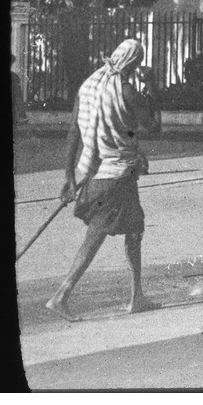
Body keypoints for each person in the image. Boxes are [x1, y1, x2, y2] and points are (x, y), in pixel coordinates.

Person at [45, 38, 161, 322]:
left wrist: (70, 176)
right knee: (96, 235)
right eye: (138, 62)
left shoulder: (89, 86)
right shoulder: (127, 91)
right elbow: (154, 127)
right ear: (133, 63)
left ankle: (137, 296)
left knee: (135, 228)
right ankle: (61, 296)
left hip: (99, 172)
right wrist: (152, 86)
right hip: (116, 176)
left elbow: (74, 132)